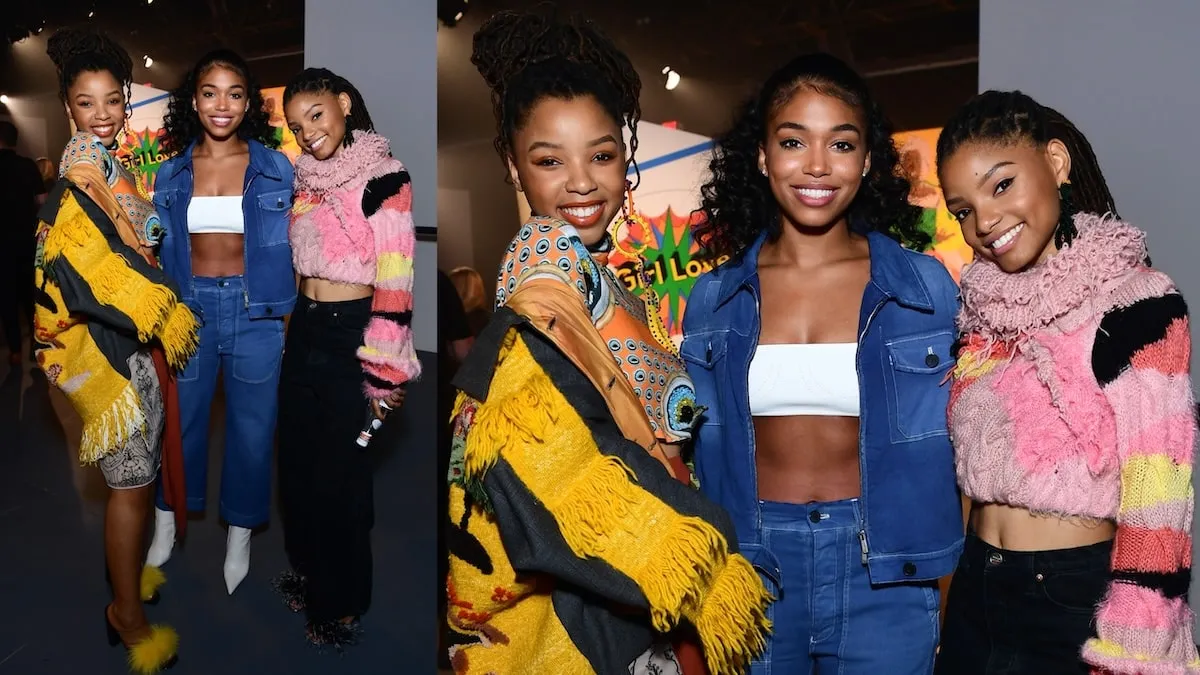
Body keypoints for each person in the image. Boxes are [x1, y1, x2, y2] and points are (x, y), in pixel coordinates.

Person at [443, 9, 770, 675]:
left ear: (626, 156)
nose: (583, 182)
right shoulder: (544, 290)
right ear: (512, 166)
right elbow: (561, 474)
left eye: (600, 154)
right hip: (597, 606)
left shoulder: (600, 277)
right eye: (548, 160)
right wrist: (701, 568)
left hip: (629, 597)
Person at [681, 52, 963, 675]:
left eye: (840, 143)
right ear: (761, 155)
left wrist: (951, 594)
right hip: (752, 569)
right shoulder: (714, 299)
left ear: (866, 161)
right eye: (792, 141)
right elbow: (688, 453)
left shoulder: (925, 288)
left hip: (886, 572)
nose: (816, 165)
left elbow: (962, 448)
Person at [932, 90, 1199, 674]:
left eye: (1001, 185)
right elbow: (968, 480)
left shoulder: (1137, 301)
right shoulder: (978, 314)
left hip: (1074, 599)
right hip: (978, 588)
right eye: (962, 209)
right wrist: (951, 596)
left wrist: (1134, 645)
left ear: (1055, 162)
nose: (984, 222)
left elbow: (1161, 489)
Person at [37, 27, 197, 673]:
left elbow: (138, 234)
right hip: (112, 351)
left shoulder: (112, 161)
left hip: (130, 348)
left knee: (136, 480)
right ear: (66, 107)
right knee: (130, 489)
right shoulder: (82, 169)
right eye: (86, 102)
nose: (101, 114)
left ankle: (127, 580)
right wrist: (160, 309)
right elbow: (71, 269)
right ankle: (126, 616)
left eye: (111, 101)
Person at [276, 67, 420, 648]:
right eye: (296, 125)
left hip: (351, 335)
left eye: (316, 114)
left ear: (342, 103)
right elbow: (297, 264)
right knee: (298, 469)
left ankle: (344, 602)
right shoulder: (304, 181)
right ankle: (313, 575)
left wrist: (383, 370)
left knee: (343, 477)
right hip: (306, 329)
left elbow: (397, 278)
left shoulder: (385, 177)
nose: (308, 132)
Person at [144, 48, 296, 595]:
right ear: (193, 100)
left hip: (256, 314)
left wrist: (286, 316)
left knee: (253, 431)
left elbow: (297, 246)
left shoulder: (275, 167)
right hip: (189, 312)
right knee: (179, 424)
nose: (222, 104)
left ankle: (240, 532)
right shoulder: (170, 172)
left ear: (249, 102)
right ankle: (166, 518)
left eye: (235, 93)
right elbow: (155, 248)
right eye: (211, 92)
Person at [0, 120, 47, 365]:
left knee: (6, 298)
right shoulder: (27, 166)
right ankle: (37, 346)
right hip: (27, 241)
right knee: (31, 295)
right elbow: (42, 200)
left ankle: (15, 350)